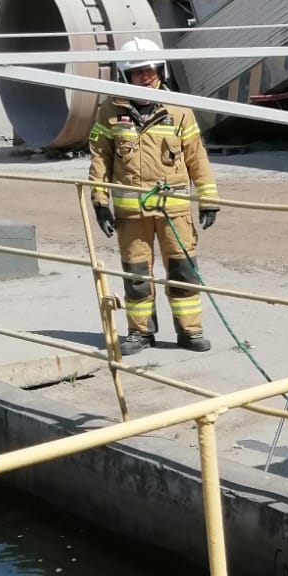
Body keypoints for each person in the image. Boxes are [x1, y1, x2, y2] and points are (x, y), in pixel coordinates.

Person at [88, 38, 220, 357]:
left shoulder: (178, 109)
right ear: (125, 76)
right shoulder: (110, 110)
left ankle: (190, 331)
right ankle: (140, 332)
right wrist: (100, 202)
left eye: (150, 70)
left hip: (174, 212)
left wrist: (208, 199)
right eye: (138, 72)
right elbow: (100, 158)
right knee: (136, 275)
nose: (146, 77)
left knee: (183, 271)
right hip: (131, 215)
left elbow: (197, 158)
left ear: (160, 70)